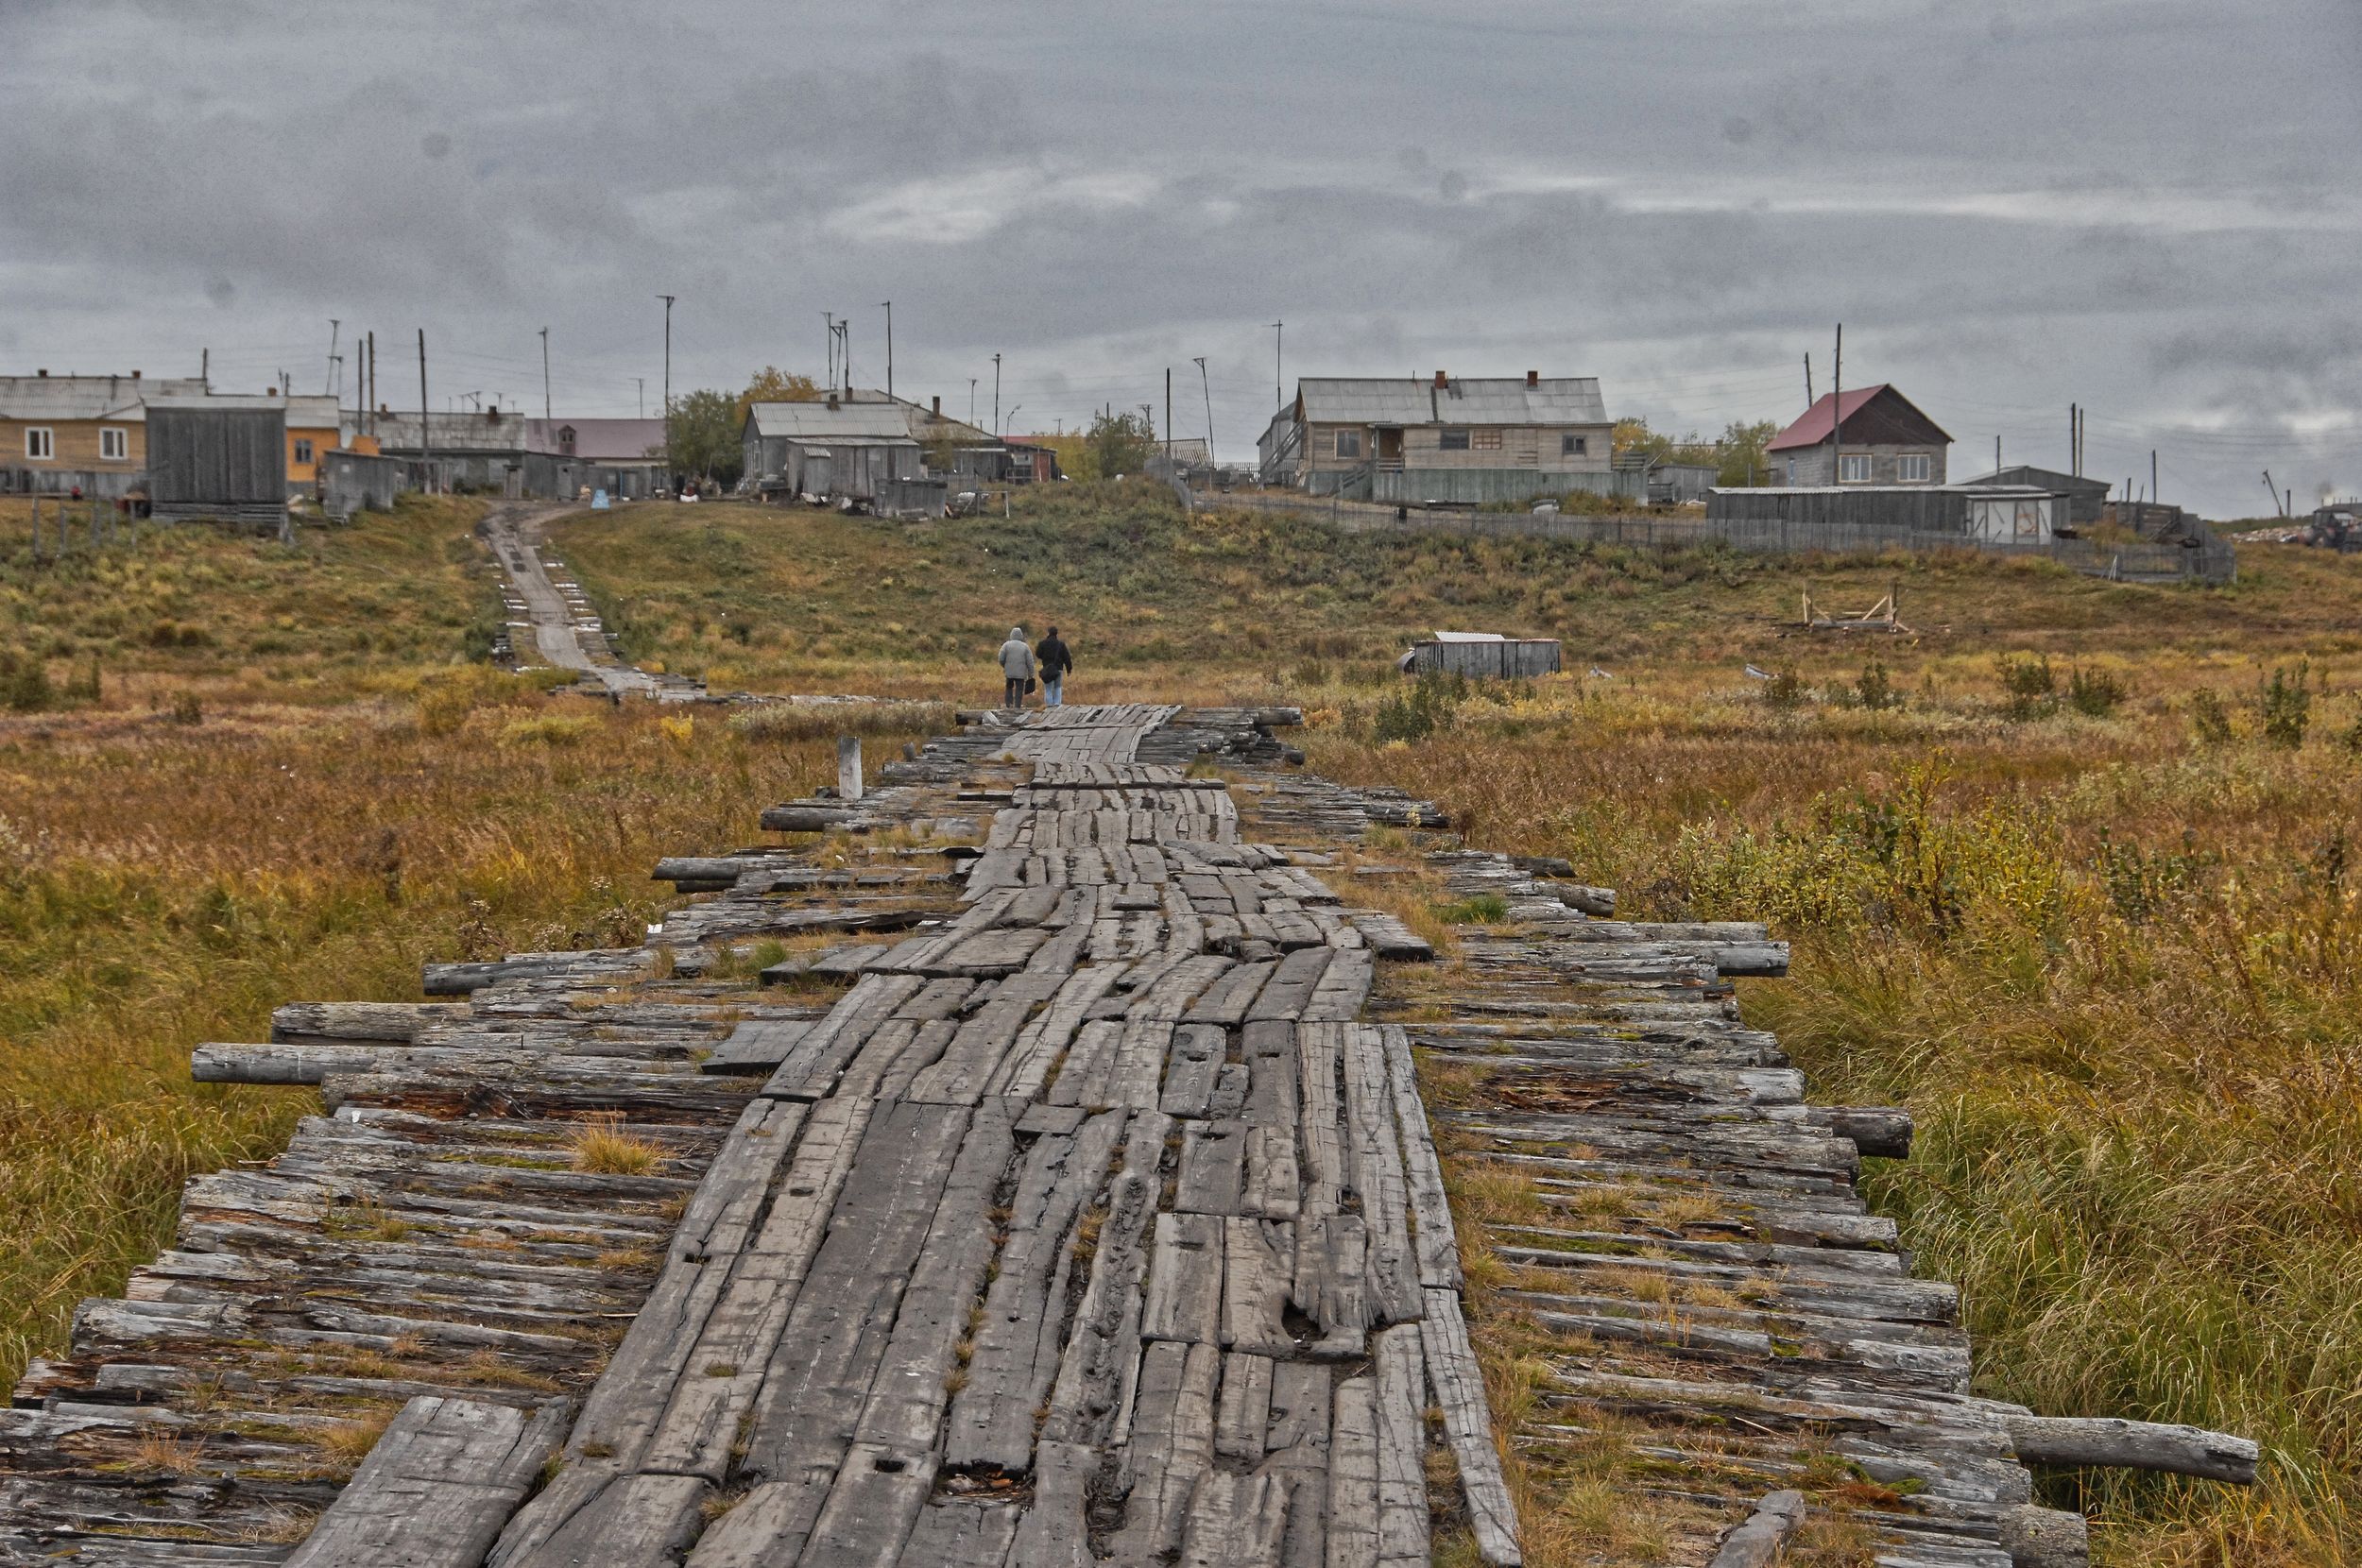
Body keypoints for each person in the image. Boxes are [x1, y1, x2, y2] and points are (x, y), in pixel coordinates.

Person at [997, 626, 1035, 709]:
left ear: (1011, 635)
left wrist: (1005, 666)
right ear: (1021, 636)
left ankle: (1009, 705)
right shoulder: (1025, 647)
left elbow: (1001, 658)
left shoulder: (1006, 645)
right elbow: (1030, 662)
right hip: (1021, 673)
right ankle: (1017, 706)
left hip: (1009, 672)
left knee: (1009, 687)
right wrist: (1031, 674)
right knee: (1019, 689)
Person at [1036, 626, 1073, 707]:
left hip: (1047, 669)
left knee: (1048, 688)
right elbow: (1067, 658)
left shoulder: (1042, 643)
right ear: (1056, 634)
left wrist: (1045, 658)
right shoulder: (1061, 644)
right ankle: (1057, 704)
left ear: (1048, 633)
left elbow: (1038, 654)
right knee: (1058, 687)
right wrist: (1069, 669)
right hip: (1058, 669)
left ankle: (1049, 705)